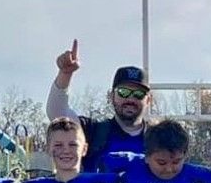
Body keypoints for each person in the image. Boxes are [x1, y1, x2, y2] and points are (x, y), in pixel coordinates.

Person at [49, 40, 153, 171]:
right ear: (111, 96)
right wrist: (65, 74)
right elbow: (57, 114)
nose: (130, 99)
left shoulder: (159, 138)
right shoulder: (94, 132)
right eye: (123, 92)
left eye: (138, 94)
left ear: (149, 100)